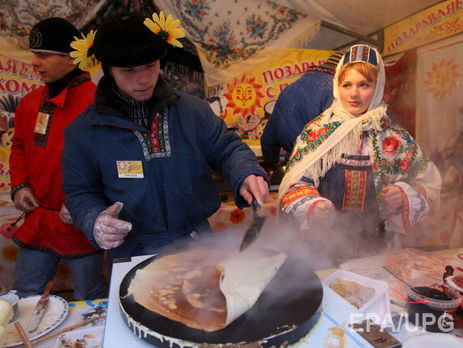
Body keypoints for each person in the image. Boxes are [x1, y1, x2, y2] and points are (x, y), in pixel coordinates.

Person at [61, 12, 270, 263]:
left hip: (197, 242)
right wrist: (94, 220)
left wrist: (246, 172)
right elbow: (80, 192)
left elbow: (226, 147)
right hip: (131, 251)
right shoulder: (84, 131)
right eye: (129, 70)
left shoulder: (193, 111)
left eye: (150, 66)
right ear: (109, 71)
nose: (143, 79)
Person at [278, 44, 441, 260]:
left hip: (376, 248)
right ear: (337, 86)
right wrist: (312, 205)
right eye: (347, 85)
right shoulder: (317, 131)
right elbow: (294, 183)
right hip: (323, 249)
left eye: (364, 85)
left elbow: (429, 183)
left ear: (378, 86)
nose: (353, 94)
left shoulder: (395, 137)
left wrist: (403, 195)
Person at [9, 18, 107, 299]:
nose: (35, 63)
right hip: (38, 219)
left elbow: (112, 161)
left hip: (79, 222)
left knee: (90, 296)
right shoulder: (30, 102)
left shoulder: (97, 103)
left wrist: (87, 202)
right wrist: (20, 186)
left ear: (71, 58)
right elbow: (19, 148)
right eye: (34, 55)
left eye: (43, 55)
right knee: (25, 294)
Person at [260, 51, 344, 166]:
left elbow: (269, 137)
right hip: (321, 166)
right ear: (343, 70)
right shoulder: (336, 92)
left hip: (292, 165)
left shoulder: (290, 89)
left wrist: (271, 162)